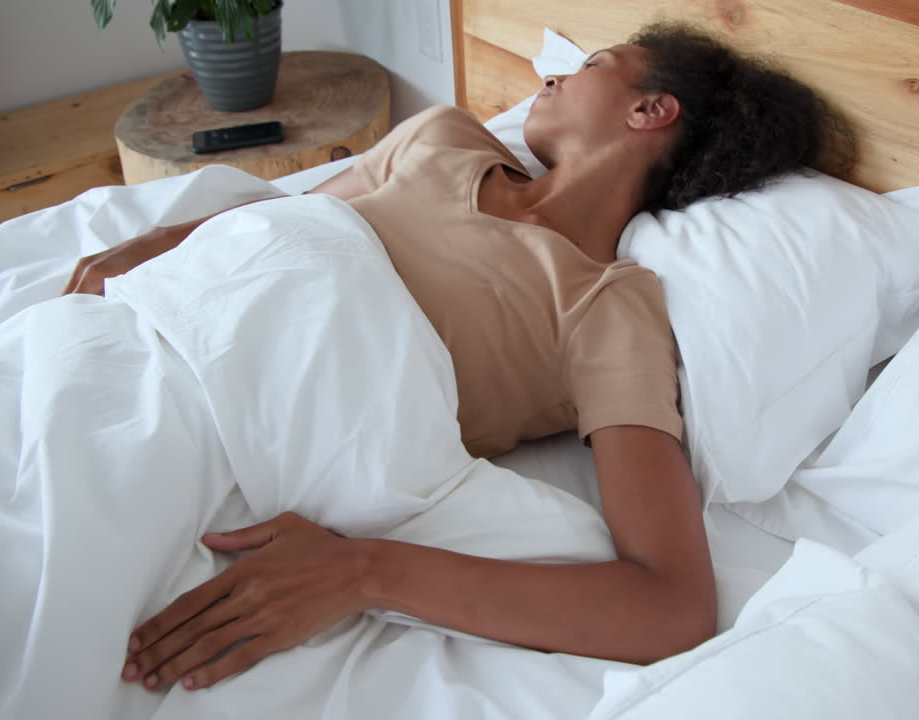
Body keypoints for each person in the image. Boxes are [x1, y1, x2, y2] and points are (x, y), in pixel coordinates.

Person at [68, 22, 845, 693]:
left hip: (208, 443)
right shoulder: (440, 135)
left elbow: (672, 606)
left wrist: (361, 571)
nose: (552, 75)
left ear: (651, 110)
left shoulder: (605, 305)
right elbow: (292, 222)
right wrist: (168, 240)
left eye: (591, 65)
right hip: (136, 340)